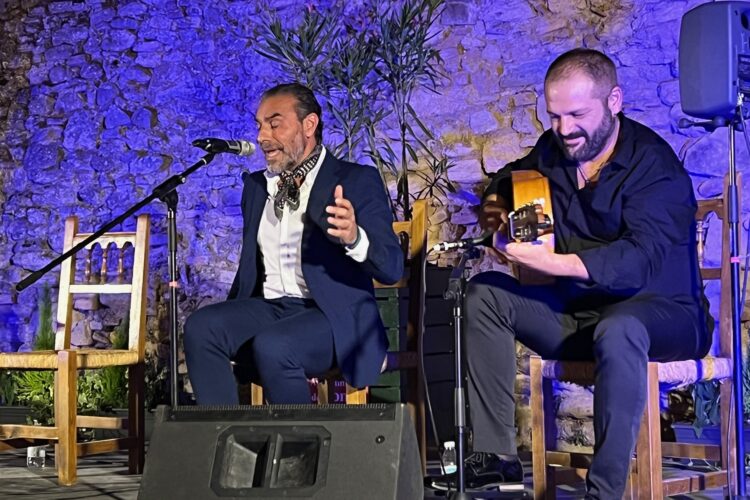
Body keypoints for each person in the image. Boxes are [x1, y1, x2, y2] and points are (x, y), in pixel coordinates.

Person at [430, 48, 712, 498]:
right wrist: (497, 203)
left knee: (620, 330)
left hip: (663, 314)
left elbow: (639, 261)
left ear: (614, 101)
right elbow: (512, 175)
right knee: (483, 295)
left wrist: (550, 263)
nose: (564, 129)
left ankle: (603, 491)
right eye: (554, 115)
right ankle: (497, 459)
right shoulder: (554, 147)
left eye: (577, 114)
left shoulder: (655, 168)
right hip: (581, 315)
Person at [183, 83, 403, 405]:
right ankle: (224, 441)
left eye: (275, 124)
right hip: (273, 308)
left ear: (308, 125)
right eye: (259, 125)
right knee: (202, 328)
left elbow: (391, 267)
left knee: (275, 345)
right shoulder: (258, 188)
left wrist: (354, 237)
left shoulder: (355, 180)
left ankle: (297, 449)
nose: (262, 137)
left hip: (334, 316)